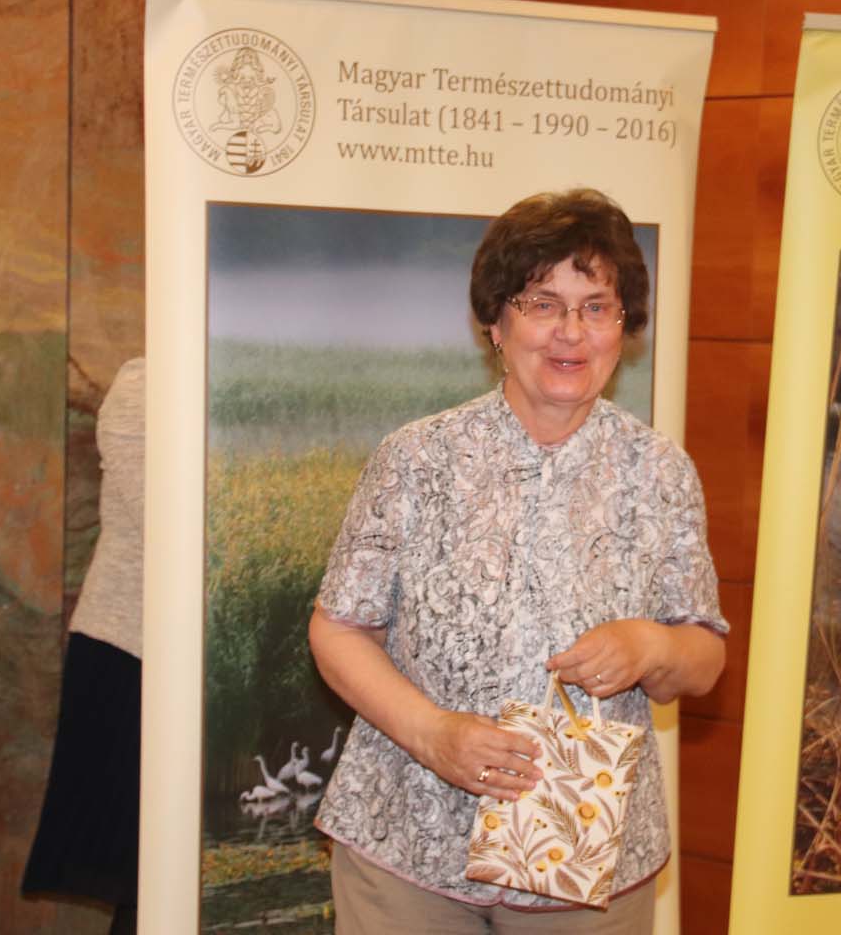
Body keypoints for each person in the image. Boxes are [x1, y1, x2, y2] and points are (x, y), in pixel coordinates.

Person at [308, 190, 727, 934]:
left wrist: (651, 646)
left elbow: (704, 658)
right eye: (542, 304)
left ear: (624, 327)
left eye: (596, 307)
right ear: (495, 323)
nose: (571, 332)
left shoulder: (660, 472)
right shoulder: (416, 459)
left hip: (586, 861)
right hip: (407, 843)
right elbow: (338, 629)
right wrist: (433, 734)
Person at [23, 358, 144, 935]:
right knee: (141, 873)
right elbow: (176, 524)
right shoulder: (144, 386)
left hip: (198, 665)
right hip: (131, 655)